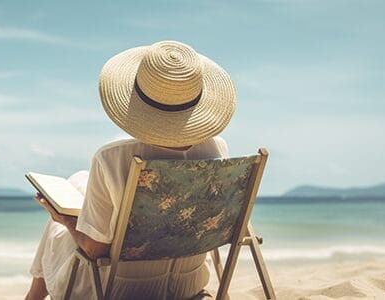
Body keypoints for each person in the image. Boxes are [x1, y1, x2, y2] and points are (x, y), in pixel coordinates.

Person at [26, 40, 236, 300]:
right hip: (187, 284)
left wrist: (66, 221)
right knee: (80, 180)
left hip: (118, 288)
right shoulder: (218, 151)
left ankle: (32, 297)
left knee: (57, 225)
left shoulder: (114, 158)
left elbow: (94, 250)